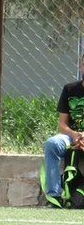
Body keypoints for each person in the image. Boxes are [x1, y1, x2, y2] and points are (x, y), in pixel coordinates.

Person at [42, 53, 84, 207]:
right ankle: (54, 196)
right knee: (51, 144)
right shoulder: (70, 89)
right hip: (71, 136)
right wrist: (74, 134)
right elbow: (62, 124)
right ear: (81, 67)